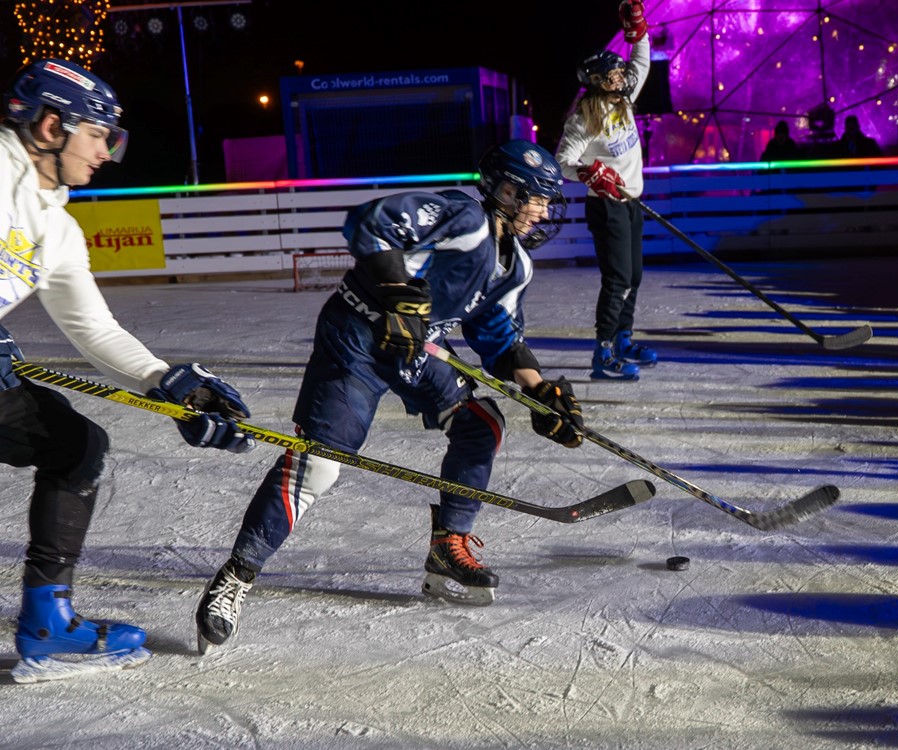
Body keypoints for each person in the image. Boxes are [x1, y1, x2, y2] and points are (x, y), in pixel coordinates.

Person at [194, 138, 586, 652]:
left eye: (547, 201)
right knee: (320, 465)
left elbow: (499, 335)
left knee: (482, 424)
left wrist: (540, 391)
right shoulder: (462, 218)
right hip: (357, 339)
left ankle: (448, 546)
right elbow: (370, 222)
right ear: (506, 190)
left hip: (418, 351)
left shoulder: (515, 265)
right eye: (535, 198)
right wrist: (397, 289)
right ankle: (236, 576)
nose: (543, 211)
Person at [0, 59, 256, 683]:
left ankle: (47, 625)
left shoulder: (56, 228)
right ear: (51, 126)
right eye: (99, 136)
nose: (107, 155)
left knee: (76, 445)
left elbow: (93, 328)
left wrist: (171, 385)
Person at [556, 0, 657, 381]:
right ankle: (603, 353)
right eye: (613, 74)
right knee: (617, 280)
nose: (621, 76)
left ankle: (624, 338)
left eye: (619, 70)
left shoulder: (625, 99)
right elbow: (562, 162)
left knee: (634, 276)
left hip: (632, 201)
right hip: (608, 208)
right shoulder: (584, 120)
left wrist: (637, 31)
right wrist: (588, 174)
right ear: (597, 81)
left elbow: (642, 61)